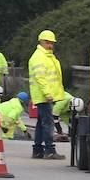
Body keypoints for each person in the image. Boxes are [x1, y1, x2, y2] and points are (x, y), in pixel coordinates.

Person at [28, 30, 65, 159]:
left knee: (41, 123)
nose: (50, 45)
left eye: (52, 43)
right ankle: (49, 150)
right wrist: (48, 94)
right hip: (43, 96)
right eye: (47, 42)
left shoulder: (47, 56)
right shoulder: (39, 57)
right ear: (41, 42)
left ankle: (37, 150)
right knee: (48, 123)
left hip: (44, 95)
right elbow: (41, 78)